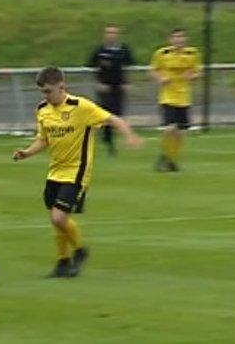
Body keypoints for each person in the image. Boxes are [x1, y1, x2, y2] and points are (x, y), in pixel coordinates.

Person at [12, 67, 143, 278]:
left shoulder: (81, 107)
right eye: (42, 92)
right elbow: (43, 139)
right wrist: (26, 153)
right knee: (56, 220)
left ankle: (80, 251)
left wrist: (130, 136)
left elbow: (113, 119)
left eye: (48, 91)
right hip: (55, 172)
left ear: (61, 87)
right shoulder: (42, 110)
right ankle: (63, 263)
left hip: (76, 172)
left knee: (58, 217)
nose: (45, 96)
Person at [149, 28, 201, 172]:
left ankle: (172, 159)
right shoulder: (162, 53)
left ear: (185, 39)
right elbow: (154, 69)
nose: (178, 40)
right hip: (167, 97)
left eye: (181, 37)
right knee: (169, 128)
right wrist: (161, 79)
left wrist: (192, 76)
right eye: (175, 37)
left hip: (184, 97)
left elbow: (196, 70)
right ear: (170, 39)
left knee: (179, 133)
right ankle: (164, 156)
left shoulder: (192, 53)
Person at [86, 24, 134, 156]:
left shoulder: (123, 50)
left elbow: (128, 68)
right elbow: (92, 67)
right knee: (106, 115)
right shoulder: (99, 50)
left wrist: (127, 83)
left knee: (118, 114)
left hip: (119, 87)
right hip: (104, 88)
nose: (111, 35)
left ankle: (114, 138)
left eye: (114, 33)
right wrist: (97, 83)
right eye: (109, 32)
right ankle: (109, 143)